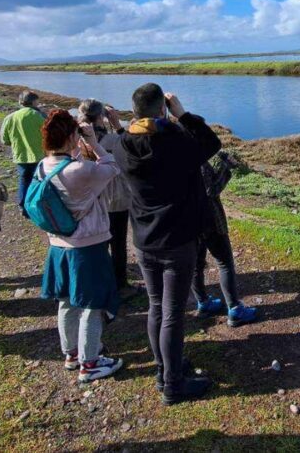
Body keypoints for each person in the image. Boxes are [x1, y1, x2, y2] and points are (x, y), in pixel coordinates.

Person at [113, 84, 221, 405]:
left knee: (157, 306)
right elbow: (210, 143)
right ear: (162, 109)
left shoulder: (122, 145)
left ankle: (164, 370)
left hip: (145, 239)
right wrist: (183, 114)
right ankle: (174, 385)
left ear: (133, 111)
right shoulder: (173, 141)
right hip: (177, 238)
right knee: (173, 311)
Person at [37, 109, 125, 383]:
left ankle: (72, 354)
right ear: (71, 136)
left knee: (66, 301)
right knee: (92, 304)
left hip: (58, 245)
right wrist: (95, 144)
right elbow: (112, 167)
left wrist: (78, 143)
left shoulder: (43, 166)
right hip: (87, 246)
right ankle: (91, 363)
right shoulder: (80, 170)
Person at [192, 151, 258, 327]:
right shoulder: (194, 157)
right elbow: (211, 190)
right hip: (210, 221)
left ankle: (203, 303)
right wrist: (226, 166)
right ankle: (235, 309)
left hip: (188, 223)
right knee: (224, 263)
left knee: (196, 265)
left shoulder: (169, 156)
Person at [78, 99, 134, 291]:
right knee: (118, 243)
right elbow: (131, 148)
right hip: (115, 198)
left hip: (90, 197)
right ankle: (120, 284)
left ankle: (100, 281)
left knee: (98, 242)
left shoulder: (78, 140)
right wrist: (117, 125)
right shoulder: (111, 139)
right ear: (101, 116)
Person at [1, 91, 46, 219]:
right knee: (40, 181)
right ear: (33, 102)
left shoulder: (10, 117)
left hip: (20, 155)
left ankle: (23, 206)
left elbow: (5, 140)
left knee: (24, 180)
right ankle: (39, 207)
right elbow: (49, 133)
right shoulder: (38, 115)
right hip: (39, 155)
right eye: (37, 101)